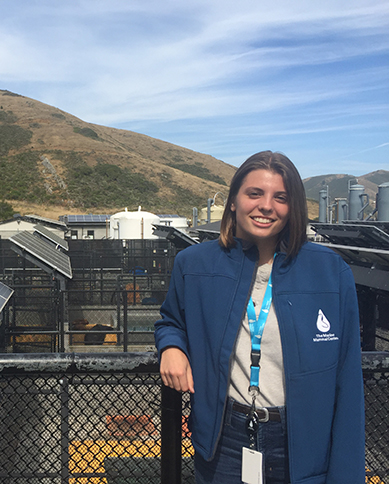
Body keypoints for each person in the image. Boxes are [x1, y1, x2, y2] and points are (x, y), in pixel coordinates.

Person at [155, 151, 364, 483]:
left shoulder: (330, 272)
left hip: (303, 445)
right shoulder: (193, 264)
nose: (267, 206)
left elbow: (348, 378)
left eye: (280, 197)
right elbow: (171, 321)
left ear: (292, 207)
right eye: (255, 193)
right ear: (234, 201)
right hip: (224, 442)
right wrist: (171, 347)